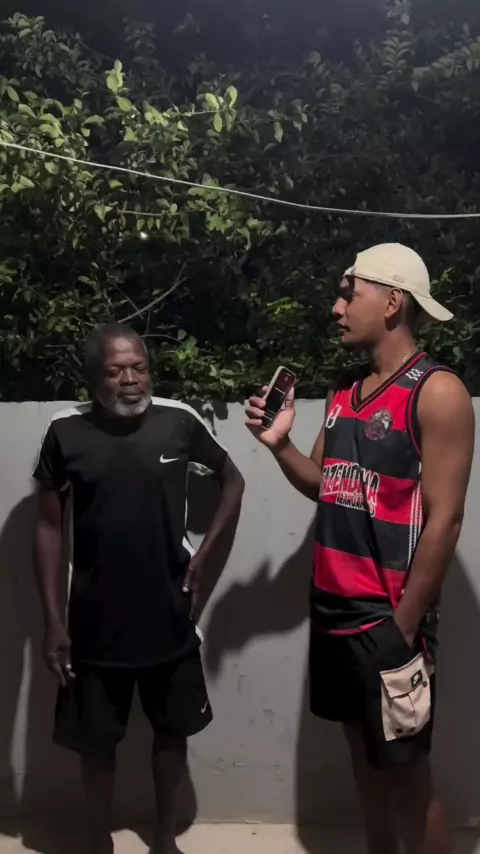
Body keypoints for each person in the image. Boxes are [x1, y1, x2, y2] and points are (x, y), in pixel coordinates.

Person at [245, 243, 475, 854]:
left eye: (350, 294)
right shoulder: (345, 390)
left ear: (393, 301)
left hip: (387, 620)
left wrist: (403, 626)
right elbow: (327, 484)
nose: (336, 307)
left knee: (408, 779)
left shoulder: (438, 392)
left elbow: (446, 520)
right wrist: (279, 445)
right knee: (365, 767)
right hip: (332, 611)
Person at [33, 323, 245, 854]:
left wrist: (204, 556)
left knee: (171, 731)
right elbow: (50, 527)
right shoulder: (64, 432)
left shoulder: (179, 421)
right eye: (115, 371)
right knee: (96, 741)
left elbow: (233, 480)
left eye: (139, 368)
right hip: (94, 621)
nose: (130, 379)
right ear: (92, 378)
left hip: (170, 613)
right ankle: (97, 838)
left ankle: (164, 838)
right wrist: (53, 620)